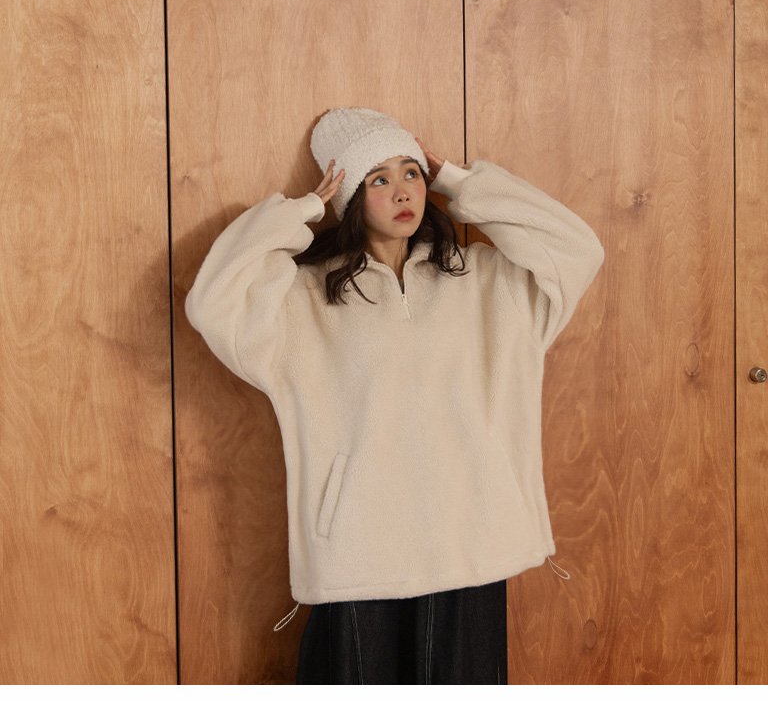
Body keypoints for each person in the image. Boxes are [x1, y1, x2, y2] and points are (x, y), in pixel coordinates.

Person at [185, 106, 604, 684]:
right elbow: (212, 303)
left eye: (412, 172)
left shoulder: (488, 280)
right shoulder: (301, 300)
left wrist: (461, 181)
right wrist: (299, 212)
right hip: (360, 555)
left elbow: (578, 249)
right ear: (350, 199)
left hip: (471, 545)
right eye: (378, 179)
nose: (403, 191)